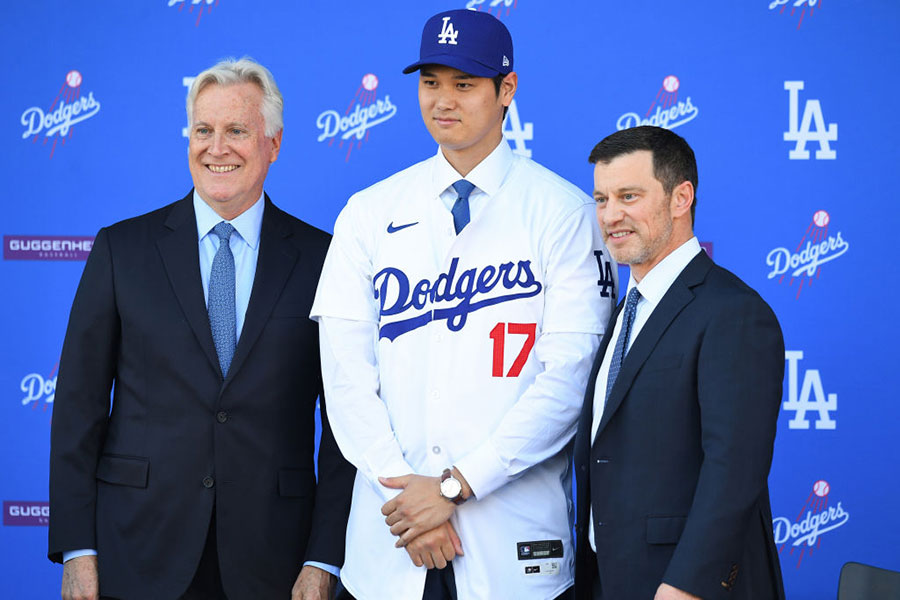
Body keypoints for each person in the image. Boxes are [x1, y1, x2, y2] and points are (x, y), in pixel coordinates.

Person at [310, 8, 617, 600]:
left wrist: (453, 488)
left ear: (507, 89)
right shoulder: (368, 212)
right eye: (430, 82)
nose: (442, 100)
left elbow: (568, 384)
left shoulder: (566, 213)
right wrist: (410, 499)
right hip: (391, 543)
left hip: (515, 551)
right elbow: (346, 380)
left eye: (464, 83)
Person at [48, 57, 355, 600]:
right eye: (203, 130)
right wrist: (77, 549)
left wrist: (324, 557)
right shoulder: (122, 251)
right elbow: (78, 408)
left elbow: (344, 429)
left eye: (237, 130)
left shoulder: (323, 259)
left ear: (273, 143)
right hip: (137, 554)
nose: (217, 148)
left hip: (275, 563)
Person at [573, 125, 786, 600]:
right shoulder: (623, 311)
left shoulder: (734, 312)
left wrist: (687, 585)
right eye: (602, 199)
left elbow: (735, 470)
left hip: (684, 587)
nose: (611, 215)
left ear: (680, 197)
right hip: (609, 579)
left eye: (629, 196)